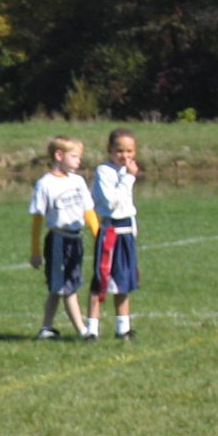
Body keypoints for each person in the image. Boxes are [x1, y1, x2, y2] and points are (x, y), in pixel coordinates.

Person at [29, 135, 98, 341]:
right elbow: (37, 220)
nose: (79, 161)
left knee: (59, 288)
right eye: (74, 156)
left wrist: (98, 237)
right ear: (59, 155)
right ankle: (83, 331)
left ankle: (46, 328)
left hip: (76, 239)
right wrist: (35, 251)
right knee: (67, 287)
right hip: (59, 240)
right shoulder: (45, 184)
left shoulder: (78, 181)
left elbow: (89, 211)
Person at [87, 127, 141, 341]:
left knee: (124, 281)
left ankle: (123, 328)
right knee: (101, 280)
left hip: (126, 231)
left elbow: (128, 206)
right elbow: (111, 202)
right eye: (119, 151)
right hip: (111, 231)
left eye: (129, 151)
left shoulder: (126, 172)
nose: (125, 156)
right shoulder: (104, 172)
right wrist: (129, 179)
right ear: (109, 150)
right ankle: (91, 329)